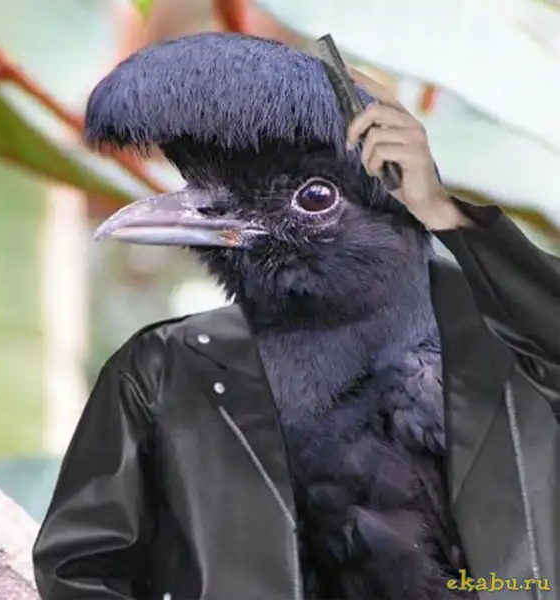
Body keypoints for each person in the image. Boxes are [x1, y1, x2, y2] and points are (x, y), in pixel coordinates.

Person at [32, 33, 560, 600]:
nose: (198, 207)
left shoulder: (449, 387)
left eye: (313, 199)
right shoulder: (170, 371)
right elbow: (82, 562)